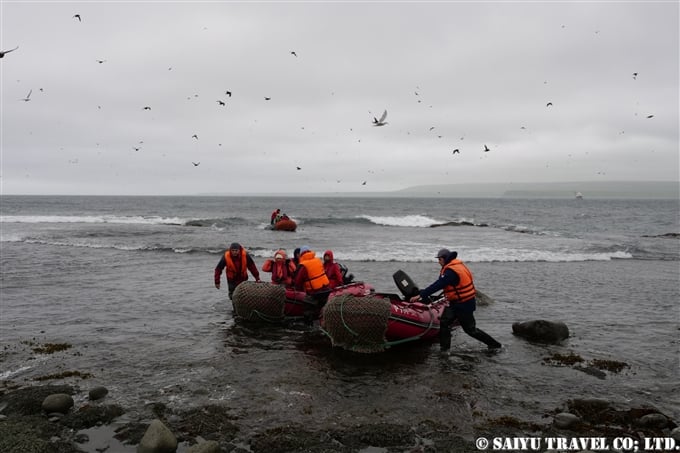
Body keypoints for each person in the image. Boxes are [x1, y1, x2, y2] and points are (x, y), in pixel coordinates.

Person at [409, 248, 501, 351]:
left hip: (463, 304)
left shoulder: (450, 271)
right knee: (444, 322)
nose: (438, 262)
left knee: (470, 330)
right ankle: (444, 350)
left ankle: (495, 345)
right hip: (457, 302)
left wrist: (421, 295)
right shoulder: (458, 265)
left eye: (439, 259)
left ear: (444, 259)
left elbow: (438, 285)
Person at [294, 246, 331, 322]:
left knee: (307, 308)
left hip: (315, 293)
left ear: (301, 255)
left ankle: (309, 325)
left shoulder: (303, 265)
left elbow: (298, 282)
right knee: (322, 307)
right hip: (327, 289)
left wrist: (298, 291)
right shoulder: (318, 260)